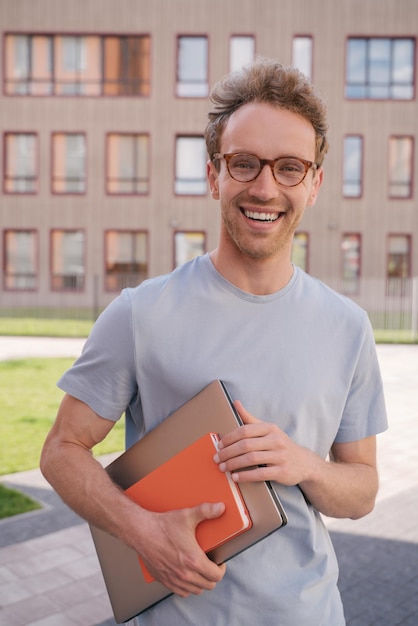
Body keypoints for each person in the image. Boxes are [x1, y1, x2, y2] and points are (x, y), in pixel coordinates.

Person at [41, 57, 387, 626]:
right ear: (213, 175)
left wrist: (307, 466)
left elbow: (363, 489)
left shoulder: (348, 327)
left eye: (290, 168)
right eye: (244, 163)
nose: (265, 187)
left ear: (316, 183)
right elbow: (60, 451)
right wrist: (143, 532)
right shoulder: (140, 313)